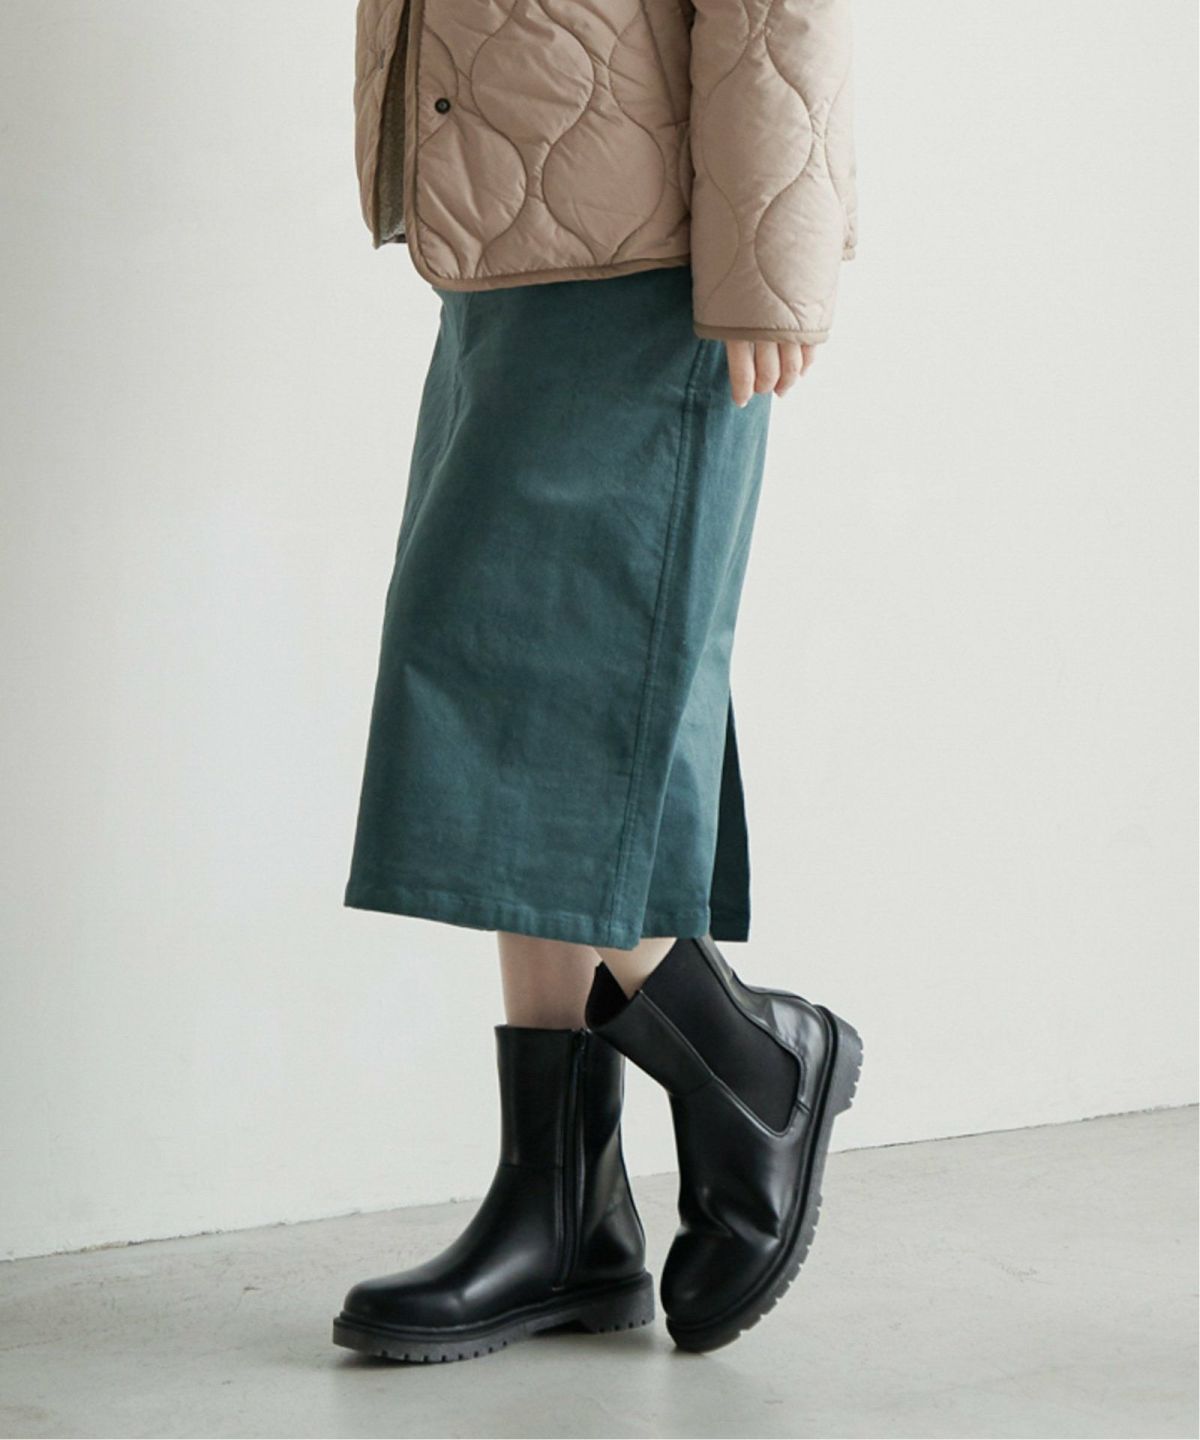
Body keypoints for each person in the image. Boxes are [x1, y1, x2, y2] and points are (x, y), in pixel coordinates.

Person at [332, 0, 862, 1363]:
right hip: (521, 209)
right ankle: (562, 1214)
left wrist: (772, 254)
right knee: (544, 688)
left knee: (524, 695)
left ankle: (756, 1066)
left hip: (647, 245)